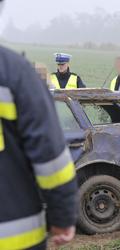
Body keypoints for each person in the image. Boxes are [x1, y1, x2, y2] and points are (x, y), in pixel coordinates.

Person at [0, 9, 78, 249]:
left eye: (63, 63)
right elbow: (51, 158)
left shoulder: (74, 78)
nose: (61, 66)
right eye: (59, 63)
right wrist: (62, 217)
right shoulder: (16, 73)